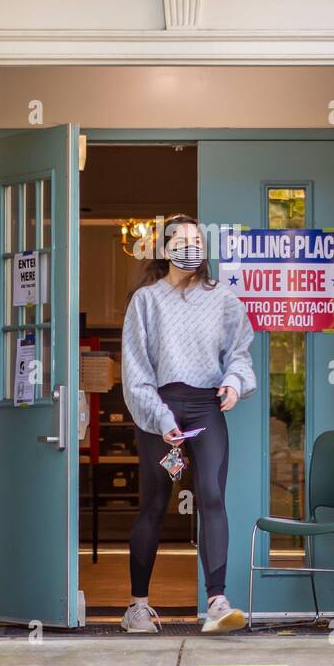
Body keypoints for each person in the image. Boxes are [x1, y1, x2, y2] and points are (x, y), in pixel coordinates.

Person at [119, 214, 256, 634]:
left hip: (205, 407)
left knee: (212, 495)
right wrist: (161, 419)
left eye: (197, 239)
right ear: (164, 248)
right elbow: (135, 371)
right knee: (156, 502)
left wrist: (234, 383)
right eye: (181, 239)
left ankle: (216, 602)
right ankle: (137, 608)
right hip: (159, 408)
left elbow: (240, 352)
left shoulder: (223, 299)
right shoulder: (146, 301)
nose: (190, 246)